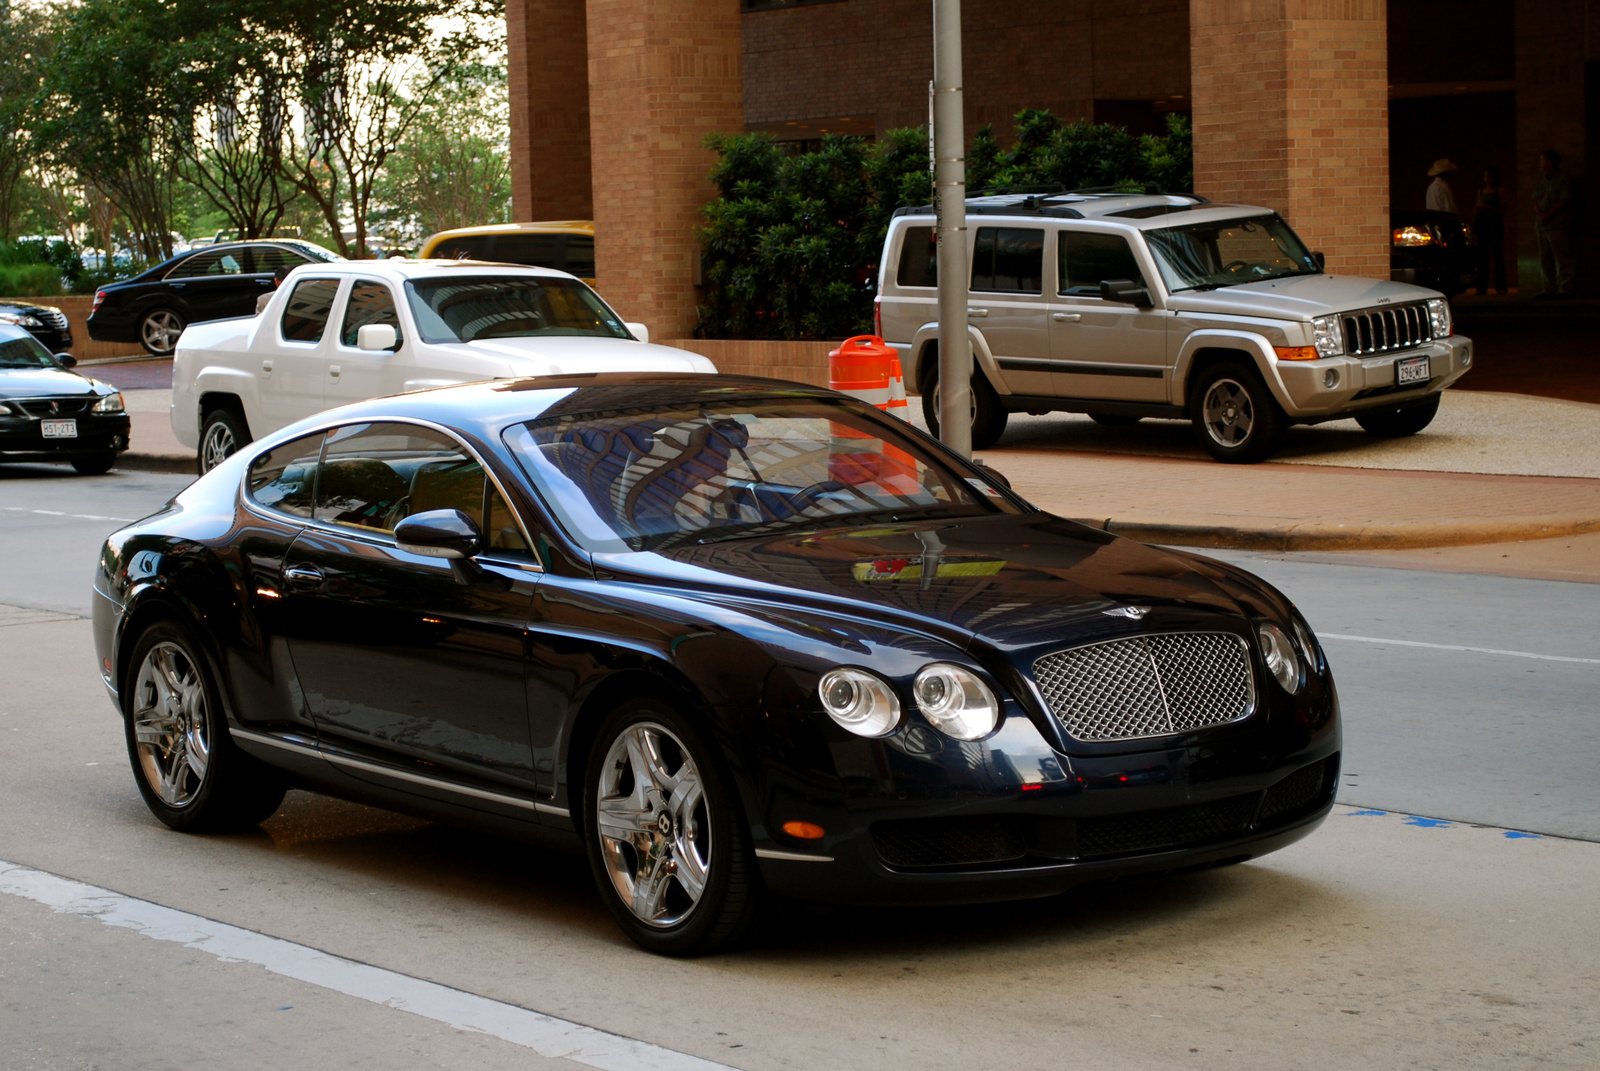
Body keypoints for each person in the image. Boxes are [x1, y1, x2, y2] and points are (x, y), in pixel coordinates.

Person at [1533, 149, 1574, 299]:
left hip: (1557, 224)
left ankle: (1565, 289)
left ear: (1550, 162)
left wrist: (1548, 215)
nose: (1541, 163)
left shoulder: (1562, 179)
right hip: (1542, 225)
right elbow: (1535, 199)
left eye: (1543, 160)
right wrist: (1540, 215)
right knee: (1545, 258)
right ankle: (1548, 288)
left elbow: (1563, 200)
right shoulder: (1542, 180)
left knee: (1561, 258)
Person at [1474, 166, 1507, 295]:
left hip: (1495, 225)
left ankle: (1500, 286)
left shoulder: (1500, 191)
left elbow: (1504, 210)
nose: (1487, 179)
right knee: (1482, 257)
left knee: (1498, 255)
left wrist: (1490, 208)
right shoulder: (1481, 190)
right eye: (1485, 176)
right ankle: (1481, 286)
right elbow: (1477, 206)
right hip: (1482, 225)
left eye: (1489, 176)